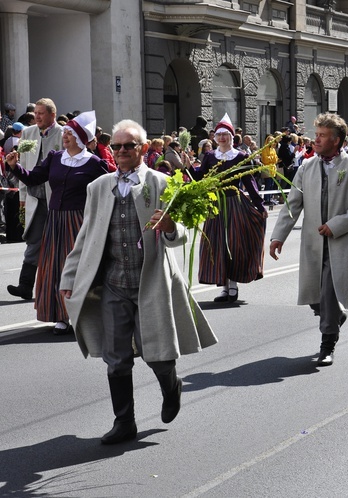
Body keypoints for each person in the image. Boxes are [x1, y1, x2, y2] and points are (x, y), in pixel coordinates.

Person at [59, 119, 217, 445]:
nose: (120, 152)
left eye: (128, 146)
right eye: (115, 146)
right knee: (116, 357)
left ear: (143, 148)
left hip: (152, 281)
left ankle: (171, 385)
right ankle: (124, 423)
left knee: (156, 352)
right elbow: (86, 237)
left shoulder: (162, 182)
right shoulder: (98, 187)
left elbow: (181, 236)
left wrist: (171, 225)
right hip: (114, 283)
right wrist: (69, 276)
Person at [270, 113, 348, 366]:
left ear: (336, 140)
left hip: (339, 243)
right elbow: (292, 204)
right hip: (313, 244)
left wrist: (335, 226)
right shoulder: (306, 168)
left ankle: (327, 345)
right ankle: (333, 317)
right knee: (316, 297)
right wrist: (277, 236)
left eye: (322, 136)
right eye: (316, 135)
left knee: (329, 293)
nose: (316, 140)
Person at [5, 111, 108, 334]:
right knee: (54, 268)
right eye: (66, 132)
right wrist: (15, 167)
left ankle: (82, 314)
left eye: (71, 133)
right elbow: (34, 179)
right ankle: (61, 315)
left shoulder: (95, 164)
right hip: (55, 220)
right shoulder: (54, 157)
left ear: (81, 138)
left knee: (78, 269)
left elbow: (108, 191)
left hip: (79, 222)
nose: (66, 136)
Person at [192, 113, 267, 303]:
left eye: (226, 135)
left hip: (235, 203)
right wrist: (189, 168)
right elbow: (201, 179)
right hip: (215, 205)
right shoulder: (209, 156)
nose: (222, 138)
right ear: (215, 138)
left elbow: (249, 182)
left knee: (233, 244)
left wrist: (259, 205)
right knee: (216, 246)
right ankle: (225, 288)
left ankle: (233, 286)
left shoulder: (240, 156)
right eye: (219, 135)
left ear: (232, 137)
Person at [7, 98, 63, 300]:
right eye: (35, 113)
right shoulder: (28, 133)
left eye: (41, 113)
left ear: (52, 115)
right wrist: (22, 196)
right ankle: (25, 286)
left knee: (59, 244)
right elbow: (23, 167)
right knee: (33, 240)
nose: (36, 116)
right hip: (34, 197)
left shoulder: (63, 135)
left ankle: (55, 288)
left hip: (57, 199)